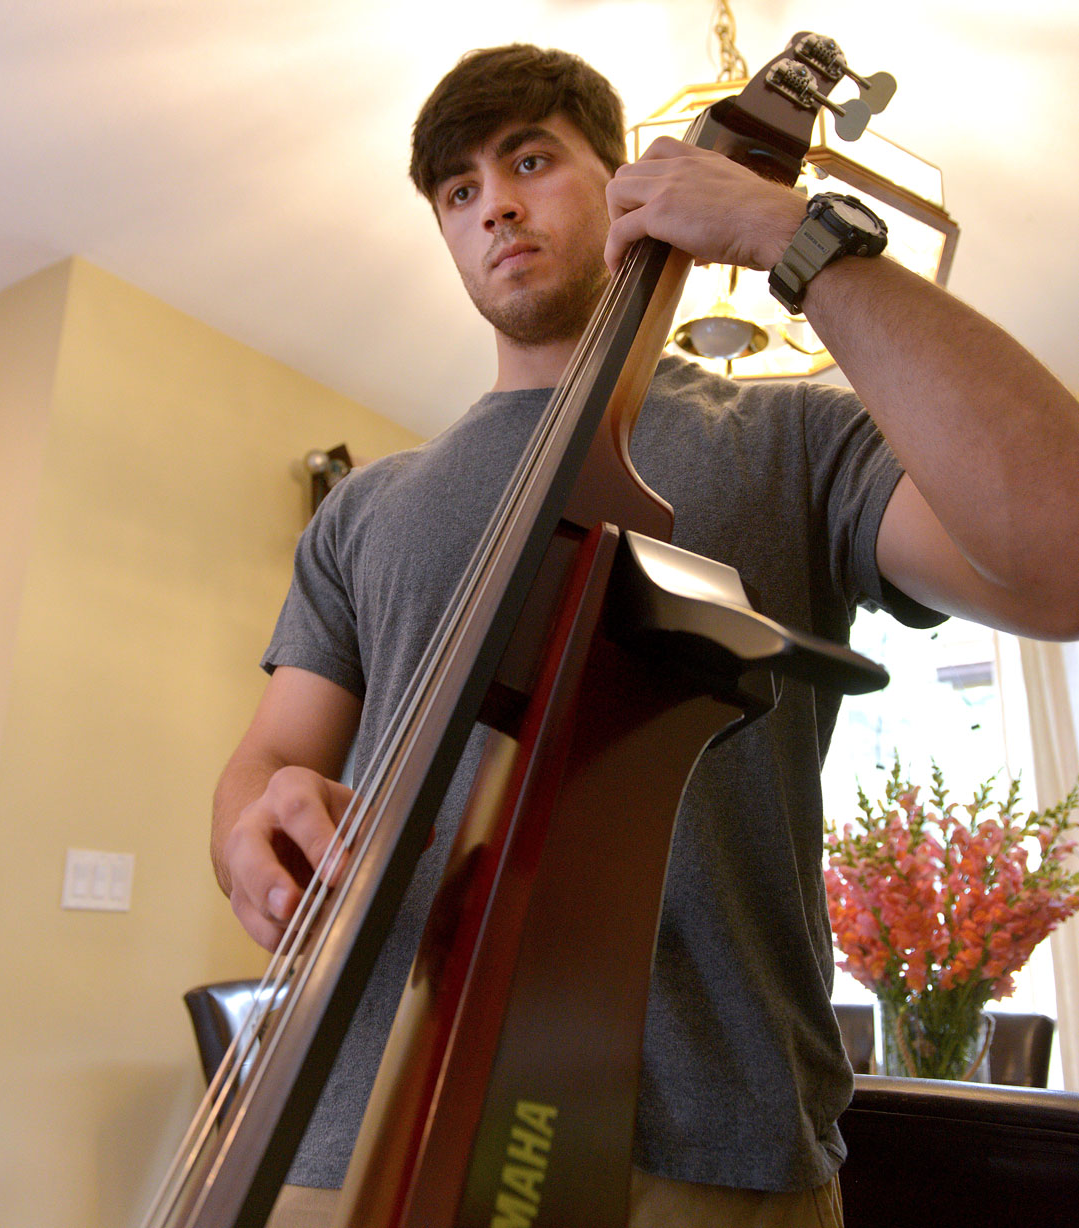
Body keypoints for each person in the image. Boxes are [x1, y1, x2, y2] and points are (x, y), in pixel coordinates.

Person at [212, 44, 1079, 1228]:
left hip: (713, 1142)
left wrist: (794, 237)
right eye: (458, 192)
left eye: (529, 159)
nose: (495, 205)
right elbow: (270, 761)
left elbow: (1062, 556)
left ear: (624, 184)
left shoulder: (790, 438)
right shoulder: (365, 507)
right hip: (367, 1127)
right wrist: (254, 830)